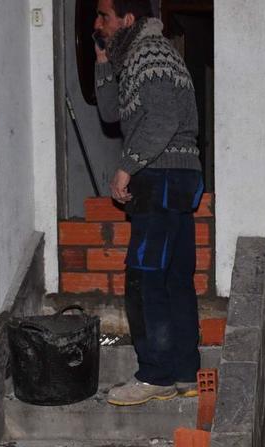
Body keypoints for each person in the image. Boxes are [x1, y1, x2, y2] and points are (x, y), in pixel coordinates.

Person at [93, 0, 203, 406]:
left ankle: (154, 374)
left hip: (160, 177)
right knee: (174, 278)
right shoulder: (140, 56)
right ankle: (183, 373)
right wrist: (103, 60)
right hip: (176, 177)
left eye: (104, 16)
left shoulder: (150, 53)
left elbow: (161, 119)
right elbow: (109, 114)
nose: (97, 23)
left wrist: (127, 167)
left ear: (128, 20)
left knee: (144, 280)